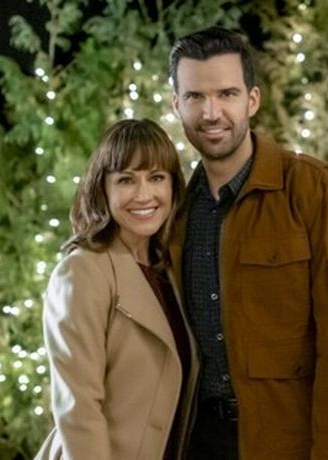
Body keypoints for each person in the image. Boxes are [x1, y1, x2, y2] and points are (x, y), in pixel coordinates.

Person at [167, 27, 328, 459]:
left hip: (287, 444)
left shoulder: (318, 192)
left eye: (226, 94)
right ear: (176, 105)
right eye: (195, 97)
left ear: (252, 100)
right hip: (198, 442)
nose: (211, 112)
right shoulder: (175, 211)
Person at [36, 119, 199, 460]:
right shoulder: (82, 272)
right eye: (126, 180)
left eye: (156, 178)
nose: (144, 194)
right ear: (103, 189)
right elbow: (79, 409)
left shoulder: (170, 270)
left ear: (173, 186)